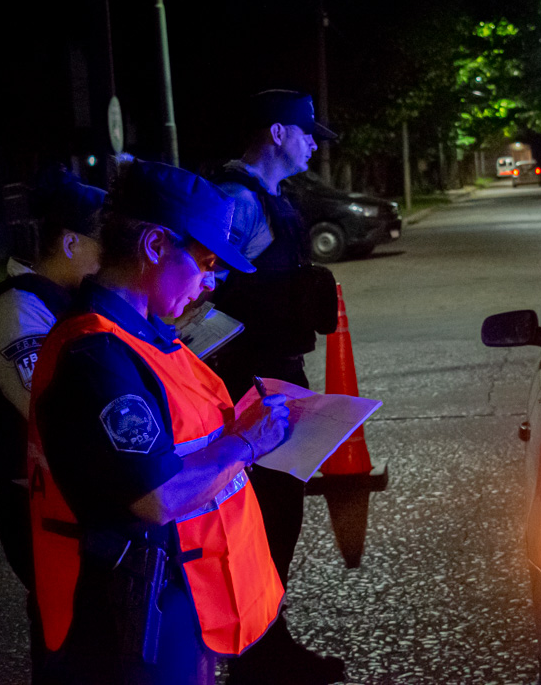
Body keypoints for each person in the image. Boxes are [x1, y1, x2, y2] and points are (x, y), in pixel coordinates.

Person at [27, 159, 288, 684]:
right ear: (154, 246)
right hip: (128, 616)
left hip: (175, 596)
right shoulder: (97, 352)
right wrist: (245, 444)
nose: (211, 282)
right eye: (207, 261)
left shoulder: (142, 332)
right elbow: (159, 497)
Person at [208, 89, 342, 685]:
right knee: (264, 517)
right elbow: (194, 298)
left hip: (277, 377)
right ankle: (255, 655)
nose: (315, 142)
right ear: (277, 133)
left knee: (279, 516)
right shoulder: (237, 203)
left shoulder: (271, 199)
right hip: (248, 385)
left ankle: (268, 643)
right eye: (307, 131)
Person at [0, 169, 105, 678]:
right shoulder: (18, 310)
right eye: (103, 241)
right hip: (38, 510)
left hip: (66, 504)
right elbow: (46, 406)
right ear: (69, 242)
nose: (111, 254)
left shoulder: (57, 303)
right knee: (66, 640)